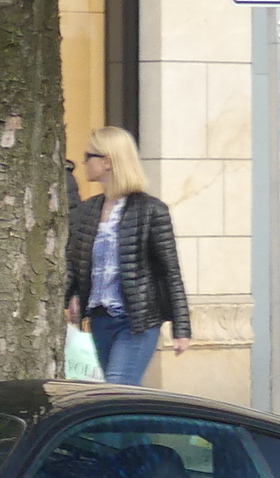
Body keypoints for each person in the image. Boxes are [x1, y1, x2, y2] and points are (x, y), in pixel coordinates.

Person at [63, 126, 191, 385]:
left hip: (137, 320)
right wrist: (72, 295)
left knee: (117, 385)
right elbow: (76, 263)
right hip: (100, 318)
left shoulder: (151, 210)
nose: (84, 162)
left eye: (90, 156)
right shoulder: (87, 211)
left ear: (108, 162)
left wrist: (182, 328)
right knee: (122, 393)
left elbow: (169, 271)